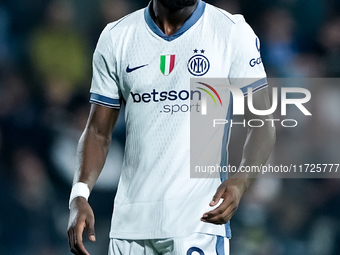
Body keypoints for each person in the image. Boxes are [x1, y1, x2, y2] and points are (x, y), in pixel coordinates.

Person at [67, 0, 276, 254]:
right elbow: (98, 132)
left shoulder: (231, 32)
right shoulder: (117, 37)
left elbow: (262, 122)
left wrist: (241, 181)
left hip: (198, 223)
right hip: (130, 228)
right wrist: (79, 195)